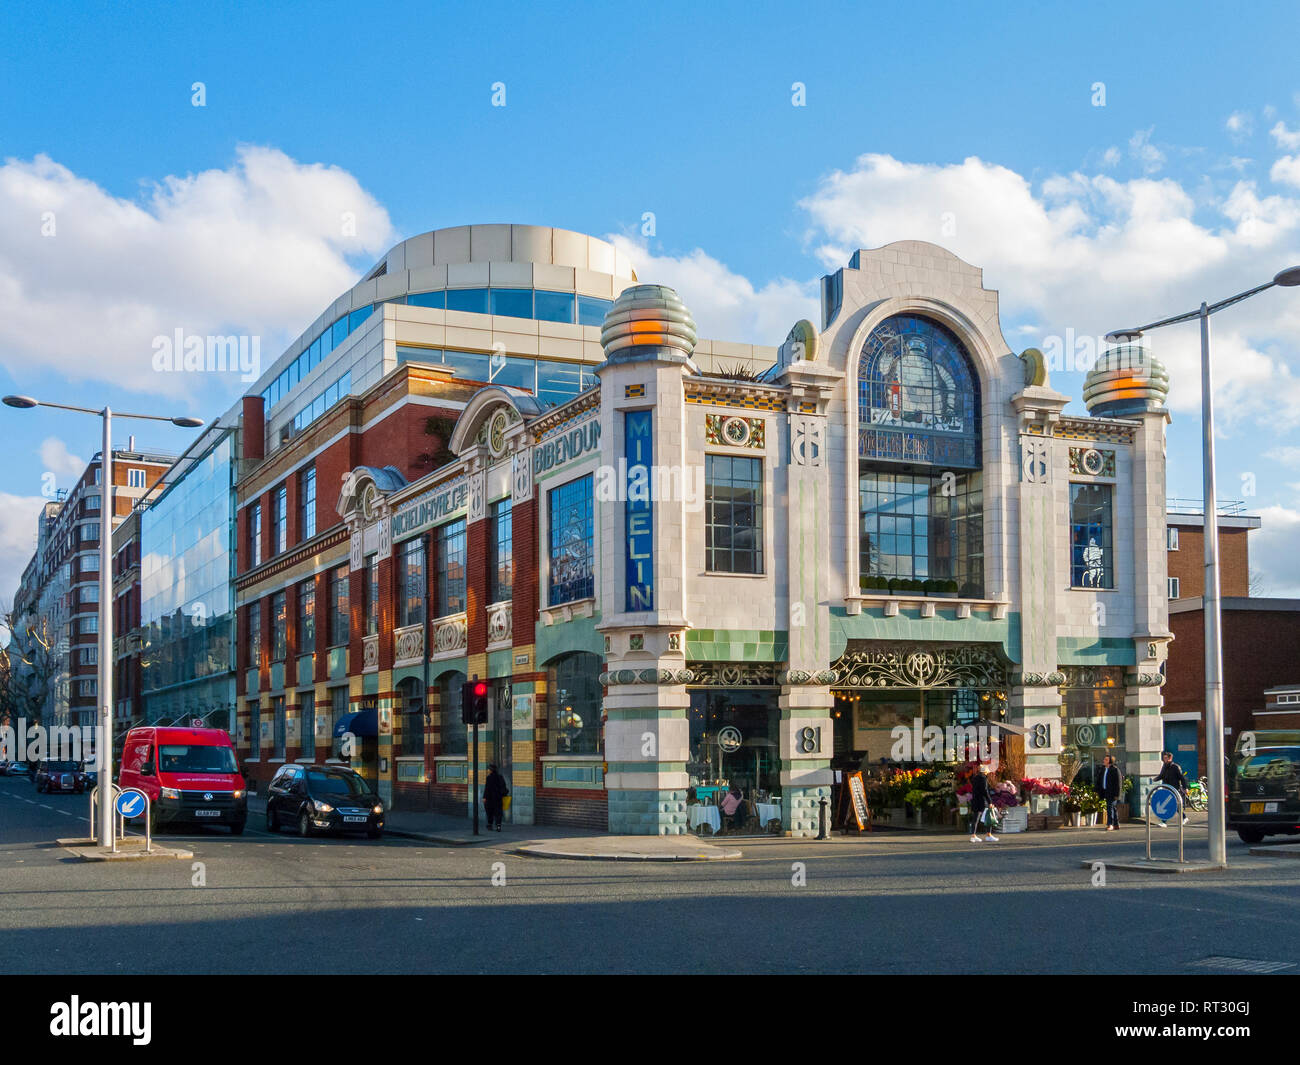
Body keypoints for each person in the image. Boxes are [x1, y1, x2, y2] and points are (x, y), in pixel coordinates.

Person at [1151, 750, 1189, 827]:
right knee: (1174, 805)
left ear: (1170, 758)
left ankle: (1164, 822)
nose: (1164, 760)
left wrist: (1185, 788)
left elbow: (1182, 778)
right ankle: (1184, 817)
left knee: (1170, 805)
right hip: (1167, 789)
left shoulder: (1175, 767)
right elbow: (1161, 775)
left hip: (1174, 789)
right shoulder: (1164, 766)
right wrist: (1154, 779)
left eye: (1165, 758)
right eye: (1163, 758)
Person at [969, 763, 998, 843]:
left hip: (975, 800)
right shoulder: (983, 778)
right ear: (985, 772)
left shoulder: (975, 778)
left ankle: (973, 835)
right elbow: (985, 791)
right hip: (982, 801)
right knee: (988, 817)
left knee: (975, 818)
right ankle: (988, 835)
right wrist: (990, 801)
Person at [1099, 755, 1122, 831]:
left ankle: (1110, 824)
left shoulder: (1115, 770)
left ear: (1110, 761)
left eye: (1106, 760)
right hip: (1106, 791)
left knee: (1110, 808)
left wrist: (1117, 794)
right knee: (1113, 808)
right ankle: (1116, 824)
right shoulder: (1103, 769)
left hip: (1112, 793)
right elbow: (1100, 780)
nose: (1104, 761)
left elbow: (1118, 783)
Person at [483, 763, 509, 831]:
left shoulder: (489, 778)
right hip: (498, 798)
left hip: (490, 798)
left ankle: (490, 825)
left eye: (489, 769)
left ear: (491, 770)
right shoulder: (500, 777)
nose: (488, 770)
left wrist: (485, 797)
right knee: (498, 812)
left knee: (490, 812)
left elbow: (487, 788)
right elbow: (504, 786)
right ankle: (498, 826)